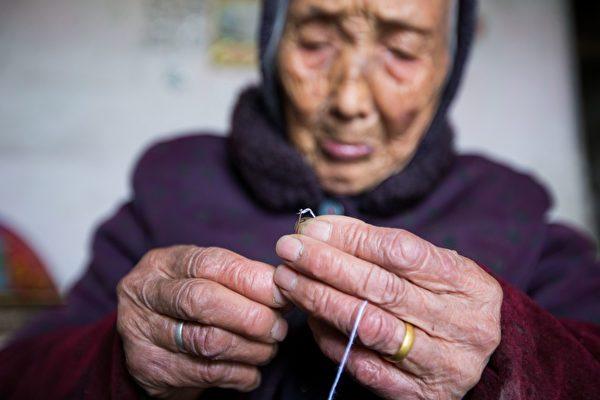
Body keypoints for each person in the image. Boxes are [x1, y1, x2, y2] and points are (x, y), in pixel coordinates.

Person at [1, 0, 599, 398]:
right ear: (271, 46)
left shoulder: (521, 221)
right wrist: (122, 360)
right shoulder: (166, 194)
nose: (348, 99)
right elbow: (20, 375)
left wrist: (513, 355)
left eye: (403, 51)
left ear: (448, 66)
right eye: (315, 41)